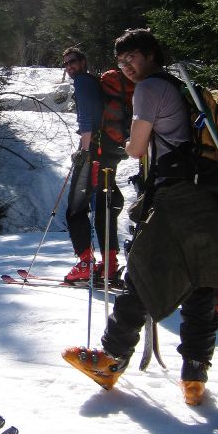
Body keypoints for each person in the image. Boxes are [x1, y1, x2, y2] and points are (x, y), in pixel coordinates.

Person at [63, 29, 218, 405]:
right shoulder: (183, 87)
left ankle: (111, 359)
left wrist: (117, 140)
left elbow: (135, 149)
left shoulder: (150, 88)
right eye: (121, 61)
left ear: (150, 54)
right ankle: (194, 375)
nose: (126, 66)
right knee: (202, 279)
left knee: (144, 271)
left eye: (131, 57)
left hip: (176, 193)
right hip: (208, 193)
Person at [62, 47, 124, 285]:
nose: (70, 67)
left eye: (73, 62)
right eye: (66, 64)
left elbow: (86, 119)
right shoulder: (96, 82)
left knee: (76, 207)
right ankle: (109, 263)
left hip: (94, 153)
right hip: (109, 151)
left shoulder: (83, 82)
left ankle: (86, 263)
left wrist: (84, 150)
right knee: (104, 205)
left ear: (83, 61)